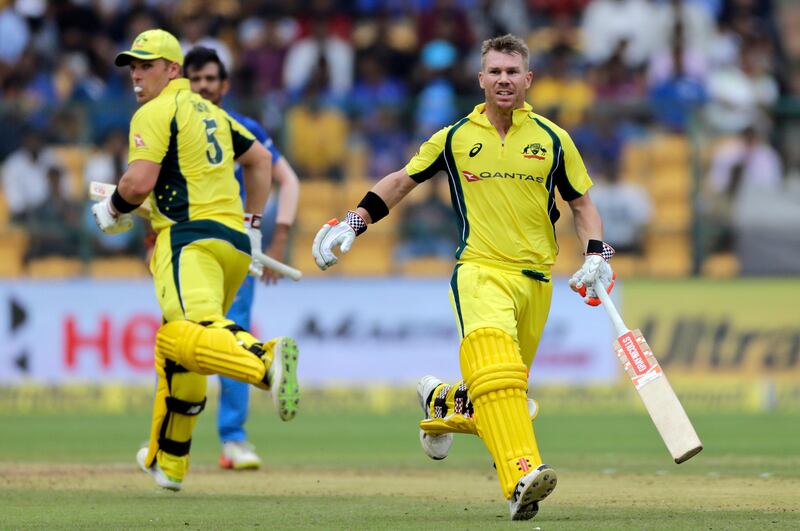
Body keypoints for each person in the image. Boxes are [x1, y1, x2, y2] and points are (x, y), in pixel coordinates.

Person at [311, 34, 616, 521]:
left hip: (536, 280)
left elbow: (582, 205)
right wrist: (354, 221)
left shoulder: (553, 139)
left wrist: (598, 252)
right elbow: (401, 180)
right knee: (501, 378)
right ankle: (521, 477)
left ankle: (441, 400)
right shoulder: (454, 137)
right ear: (480, 79)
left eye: (512, 72)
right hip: (479, 271)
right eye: (494, 71)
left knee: (501, 395)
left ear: (528, 79)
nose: (503, 80)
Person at [91, 29, 300, 491]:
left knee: (191, 332)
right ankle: (170, 459)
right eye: (132, 66)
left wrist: (111, 210)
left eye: (146, 65)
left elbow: (137, 184)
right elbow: (261, 160)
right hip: (232, 246)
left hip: (188, 242)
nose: (136, 75)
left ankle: (264, 361)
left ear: (172, 70)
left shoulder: (155, 111)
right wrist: (253, 225)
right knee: (179, 345)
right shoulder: (214, 112)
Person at [183, 46, 300, 471]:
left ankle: (233, 438)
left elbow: (288, 181)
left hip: (233, 251)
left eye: (210, 79)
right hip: (184, 250)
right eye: (195, 79)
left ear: (224, 85)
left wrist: (278, 236)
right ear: (184, 82)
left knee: (227, 334)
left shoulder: (242, 129)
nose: (202, 86)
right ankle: (174, 437)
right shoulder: (174, 125)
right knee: (187, 339)